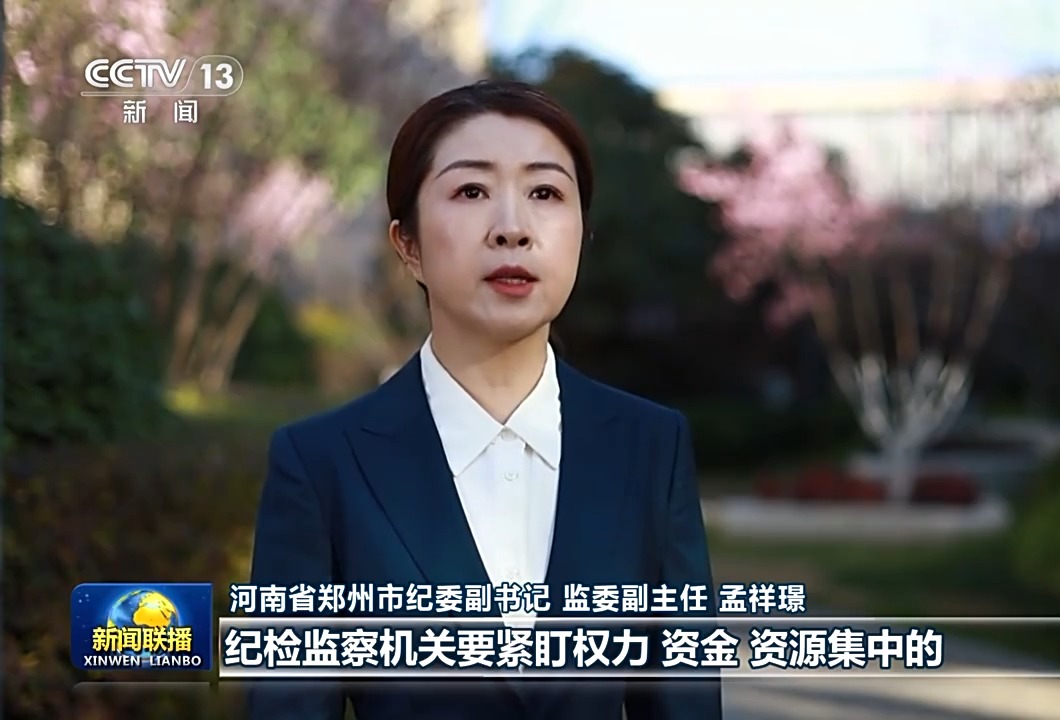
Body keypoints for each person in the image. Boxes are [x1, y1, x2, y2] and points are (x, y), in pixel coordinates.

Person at [245, 80, 722, 720]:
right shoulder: (319, 465)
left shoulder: (650, 448)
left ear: (582, 233)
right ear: (408, 245)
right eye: (471, 191)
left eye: (545, 193)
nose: (512, 229)